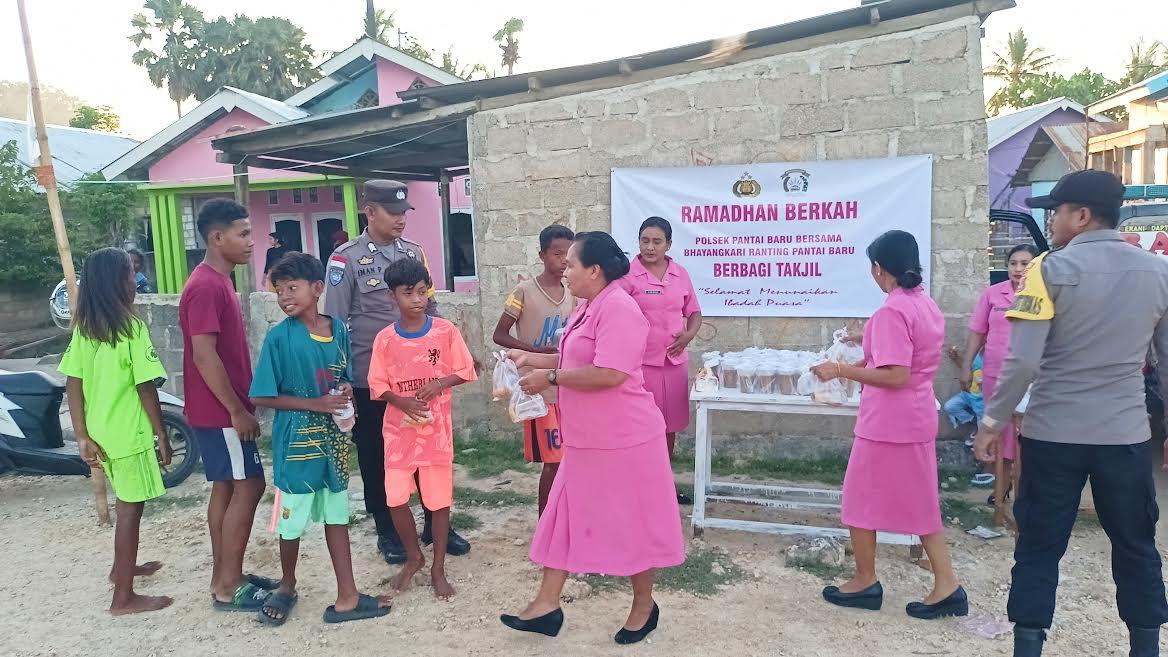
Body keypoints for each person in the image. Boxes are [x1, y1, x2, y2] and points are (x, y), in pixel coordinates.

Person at [973, 170, 1168, 657]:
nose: (1052, 219)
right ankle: (1144, 646)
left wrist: (992, 422)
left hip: (1054, 433)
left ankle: (1029, 647)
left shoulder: (1047, 269)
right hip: (1124, 433)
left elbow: (1022, 361)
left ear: (1081, 217)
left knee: (1039, 546)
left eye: (1056, 211)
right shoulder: (1158, 272)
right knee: (1137, 545)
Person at [500, 231, 684, 645]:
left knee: (634, 523)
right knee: (561, 516)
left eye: (571, 264)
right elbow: (575, 358)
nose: (565, 271)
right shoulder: (589, 307)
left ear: (594, 270)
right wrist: (530, 357)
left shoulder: (620, 308)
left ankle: (644, 605)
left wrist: (549, 376)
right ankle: (547, 605)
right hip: (586, 439)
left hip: (627, 439)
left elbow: (610, 373)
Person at [812, 230, 967, 620]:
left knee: (859, 501)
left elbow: (896, 373)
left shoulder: (890, 311)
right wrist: (865, 337)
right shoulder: (923, 304)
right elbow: (908, 350)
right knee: (921, 503)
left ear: (879, 269)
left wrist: (841, 369)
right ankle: (945, 583)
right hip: (914, 419)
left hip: (888, 424)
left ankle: (865, 580)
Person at [324, 179, 472, 564]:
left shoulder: (414, 252)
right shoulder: (346, 258)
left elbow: (432, 307)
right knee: (378, 455)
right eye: (392, 212)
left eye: (404, 212)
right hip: (373, 378)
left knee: (430, 450)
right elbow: (336, 322)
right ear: (369, 211)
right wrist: (338, 379)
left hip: (423, 378)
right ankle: (387, 529)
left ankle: (435, 522)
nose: (401, 220)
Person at [249, 253, 392, 625]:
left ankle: (347, 596)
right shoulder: (280, 337)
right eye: (278, 291)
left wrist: (343, 388)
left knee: (336, 516)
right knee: (291, 522)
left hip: (334, 443)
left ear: (317, 289)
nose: (284, 297)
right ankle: (286, 586)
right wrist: (316, 403)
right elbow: (261, 395)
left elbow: (342, 373)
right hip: (296, 444)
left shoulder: (339, 329)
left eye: (291, 288)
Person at [59, 247, 172, 615]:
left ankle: (120, 569)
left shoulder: (85, 329)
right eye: (129, 274)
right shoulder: (130, 328)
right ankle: (123, 598)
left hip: (102, 433)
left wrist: (81, 435)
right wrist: (162, 434)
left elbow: (72, 385)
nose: (135, 281)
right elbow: (145, 387)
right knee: (130, 511)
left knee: (127, 504)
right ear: (114, 283)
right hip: (129, 434)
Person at [180, 198, 275, 612]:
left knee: (226, 485)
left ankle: (224, 575)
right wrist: (237, 410)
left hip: (216, 410)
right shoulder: (204, 286)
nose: (252, 241)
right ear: (217, 238)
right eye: (243, 234)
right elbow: (204, 355)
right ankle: (229, 584)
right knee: (250, 485)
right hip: (221, 411)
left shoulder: (217, 282)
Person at [367, 257, 477, 599]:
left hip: (436, 434)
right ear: (392, 297)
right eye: (407, 293)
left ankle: (438, 567)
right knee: (396, 498)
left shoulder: (445, 332)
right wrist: (400, 402)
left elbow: (466, 369)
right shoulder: (385, 340)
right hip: (398, 434)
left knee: (439, 501)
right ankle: (413, 556)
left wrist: (439, 383)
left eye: (421, 292)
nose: (417, 299)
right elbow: (377, 384)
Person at [491, 224, 576, 516]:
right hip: (538, 387)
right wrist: (534, 351)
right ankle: (546, 522)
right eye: (556, 253)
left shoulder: (573, 294)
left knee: (569, 458)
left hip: (565, 384)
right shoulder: (524, 290)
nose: (563, 260)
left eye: (568, 254)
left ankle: (564, 516)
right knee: (553, 460)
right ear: (542, 255)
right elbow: (499, 334)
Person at [619, 217, 702, 504]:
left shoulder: (680, 273)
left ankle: (663, 486)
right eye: (645, 240)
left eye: (657, 241)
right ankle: (639, 487)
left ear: (668, 244)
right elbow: (616, 315)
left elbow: (694, 312)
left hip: (674, 364)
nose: (650, 247)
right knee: (642, 427)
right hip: (641, 366)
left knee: (669, 428)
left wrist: (688, 335)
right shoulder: (628, 276)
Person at [959, 244, 1039, 492]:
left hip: (1033, 375)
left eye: (1024, 263)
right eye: (1013, 263)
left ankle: (1024, 483)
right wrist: (966, 365)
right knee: (997, 425)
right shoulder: (993, 294)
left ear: (1035, 266)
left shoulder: (1043, 295)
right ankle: (999, 483)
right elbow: (977, 333)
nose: (1017, 269)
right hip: (996, 373)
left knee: (1029, 429)